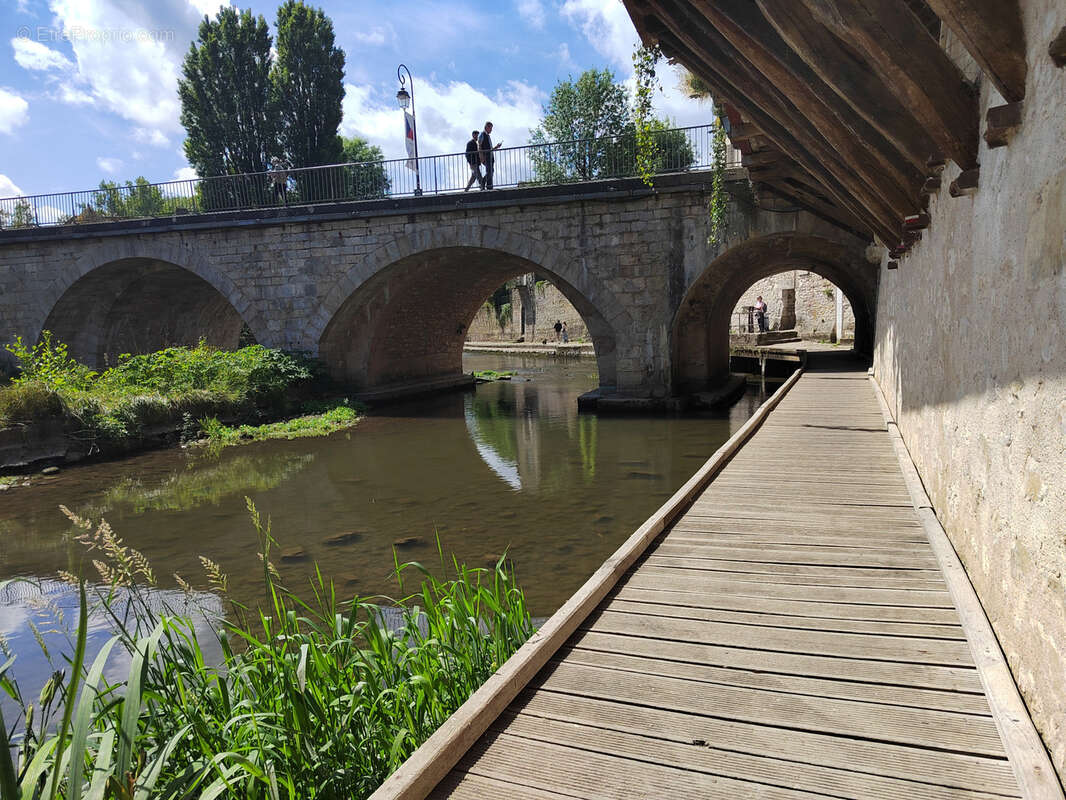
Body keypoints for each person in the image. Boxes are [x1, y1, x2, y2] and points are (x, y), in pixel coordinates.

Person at [478, 121, 501, 190]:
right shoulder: (482, 134)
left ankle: (489, 187)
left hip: (490, 156)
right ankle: (483, 182)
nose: (491, 130)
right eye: (490, 128)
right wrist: (481, 156)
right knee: (490, 171)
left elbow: (490, 149)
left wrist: (496, 147)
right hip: (486, 157)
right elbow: (479, 145)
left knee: (490, 171)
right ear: (486, 127)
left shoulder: (487, 136)